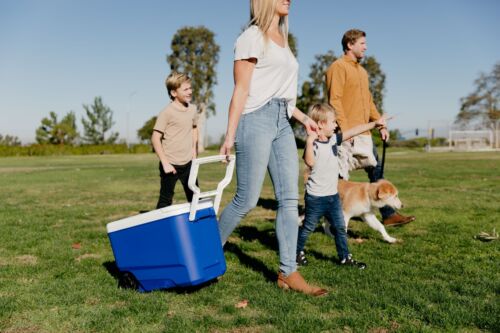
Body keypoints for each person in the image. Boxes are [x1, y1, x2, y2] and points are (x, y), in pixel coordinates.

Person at [218, 0, 327, 296]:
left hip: (282, 121)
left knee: (289, 198)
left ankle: (288, 272)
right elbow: (241, 90)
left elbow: (284, 95)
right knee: (247, 199)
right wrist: (229, 135)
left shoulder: (284, 41)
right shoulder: (251, 38)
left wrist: (305, 119)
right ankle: (209, 252)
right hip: (255, 120)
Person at [325, 29, 415, 227]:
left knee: (377, 174)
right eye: (362, 43)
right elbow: (335, 101)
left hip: (364, 133)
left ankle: (389, 214)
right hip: (344, 135)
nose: (366, 47)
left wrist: (380, 123)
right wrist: (347, 132)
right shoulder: (337, 67)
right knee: (336, 180)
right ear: (350, 45)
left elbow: (369, 102)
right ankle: (329, 219)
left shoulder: (362, 72)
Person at [297, 103, 389, 270]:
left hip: (332, 197)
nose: (336, 125)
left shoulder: (333, 140)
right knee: (308, 227)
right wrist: (310, 140)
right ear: (321, 124)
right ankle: (297, 252)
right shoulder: (313, 145)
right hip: (316, 198)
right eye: (333, 122)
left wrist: (374, 124)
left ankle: (345, 258)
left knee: (340, 227)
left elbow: (354, 130)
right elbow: (309, 161)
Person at [151, 72, 198, 209]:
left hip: (188, 163)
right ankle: (160, 229)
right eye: (186, 89)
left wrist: (194, 151)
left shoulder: (193, 109)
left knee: (195, 197)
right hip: (170, 164)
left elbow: (194, 128)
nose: (190, 92)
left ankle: (197, 227)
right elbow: (155, 138)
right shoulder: (167, 112)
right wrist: (165, 163)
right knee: (165, 200)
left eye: (190, 88)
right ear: (173, 93)